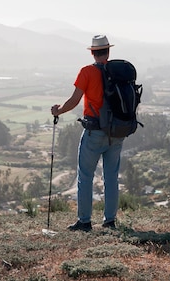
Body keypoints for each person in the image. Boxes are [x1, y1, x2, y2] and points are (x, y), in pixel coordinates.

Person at [50, 35, 124, 231]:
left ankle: (84, 221)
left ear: (92, 52)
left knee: (85, 176)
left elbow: (74, 100)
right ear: (108, 51)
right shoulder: (117, 71)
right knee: (111, 177)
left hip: (94, 132)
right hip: (117, 132)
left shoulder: (87, 72)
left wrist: (58, 111)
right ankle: (109, 221)